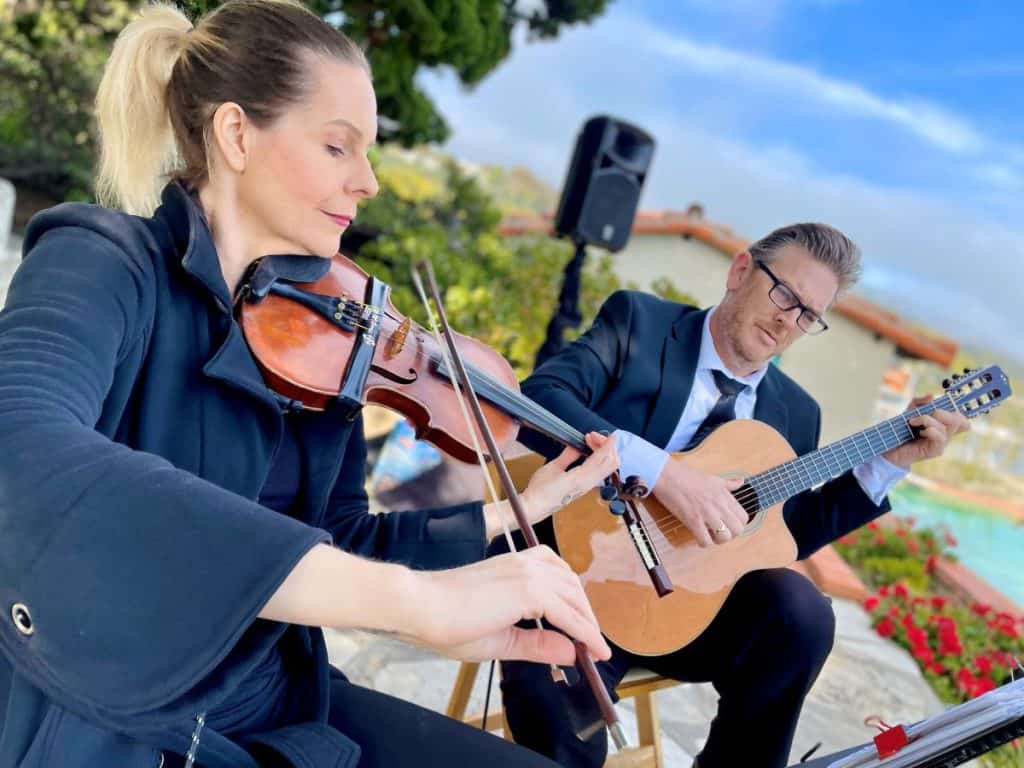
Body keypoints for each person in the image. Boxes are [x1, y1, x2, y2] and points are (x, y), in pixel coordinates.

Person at [0, 2, 621, 766]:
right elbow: (18, 445)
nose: (368, 182)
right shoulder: (101, 260)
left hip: (268, 700)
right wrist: (414, 603)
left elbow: (342, 537)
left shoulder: (328, 333)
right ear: (236, 135)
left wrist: (502, 526)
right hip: (122, 708)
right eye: (338, 147)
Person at [496, 223, 970, 768]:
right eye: (785, 295)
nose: (787, 321)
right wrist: (665, 475)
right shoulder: (640, 324)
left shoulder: (796, 413)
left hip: (686, 613)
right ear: (741, 271)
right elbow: (538, 400)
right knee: (568, 739)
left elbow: (786, 535)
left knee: (804, 615)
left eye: (807, 315)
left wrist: (890, 462)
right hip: (573, 583)